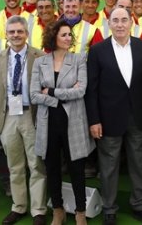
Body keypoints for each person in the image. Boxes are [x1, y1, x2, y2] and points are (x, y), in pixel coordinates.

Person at [85, 7, 142, 225]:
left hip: (137, 116)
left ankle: (140, 206)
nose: (119, 24)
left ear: (131, 23)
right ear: (108, 23)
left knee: (138, 164)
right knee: (108, 166)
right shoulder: (98, 50)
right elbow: (92, 90)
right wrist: (94, 119)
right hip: (107, 119)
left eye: (124, 20)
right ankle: (109, 209)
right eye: (115, 20)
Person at [30, 20, 95, 225]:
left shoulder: (79, 59)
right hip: (48, 123)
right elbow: (33, 95)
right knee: (52, 168)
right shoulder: (40, 62)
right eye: (64, 34)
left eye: (70, 35)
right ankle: (58, 210)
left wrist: (50, 92)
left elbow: (81, 90)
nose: (69, 38)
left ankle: (80, 212)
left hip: (72, 121)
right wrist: (61, 97)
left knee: (77, 168)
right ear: (53, 37)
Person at [0, 16, 47, 225]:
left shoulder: (39, 56)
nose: (16, 35)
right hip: (8, 117)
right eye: (12, 32)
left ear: (27, 33)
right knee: (14, 165)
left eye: (19, 31)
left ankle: (38, 210)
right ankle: (19, 206)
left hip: (31, 115)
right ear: (6, 34)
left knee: (36, 165)